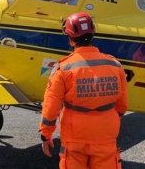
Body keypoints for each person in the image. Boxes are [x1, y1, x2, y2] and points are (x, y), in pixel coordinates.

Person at [39, 12, 128, 169]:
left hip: (74, 138)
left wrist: (46, 134)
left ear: (70, 38)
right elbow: (122, 106)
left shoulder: (63, 68)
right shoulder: (115, 66)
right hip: (105, 137)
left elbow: (50, 107)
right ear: (92, 34)